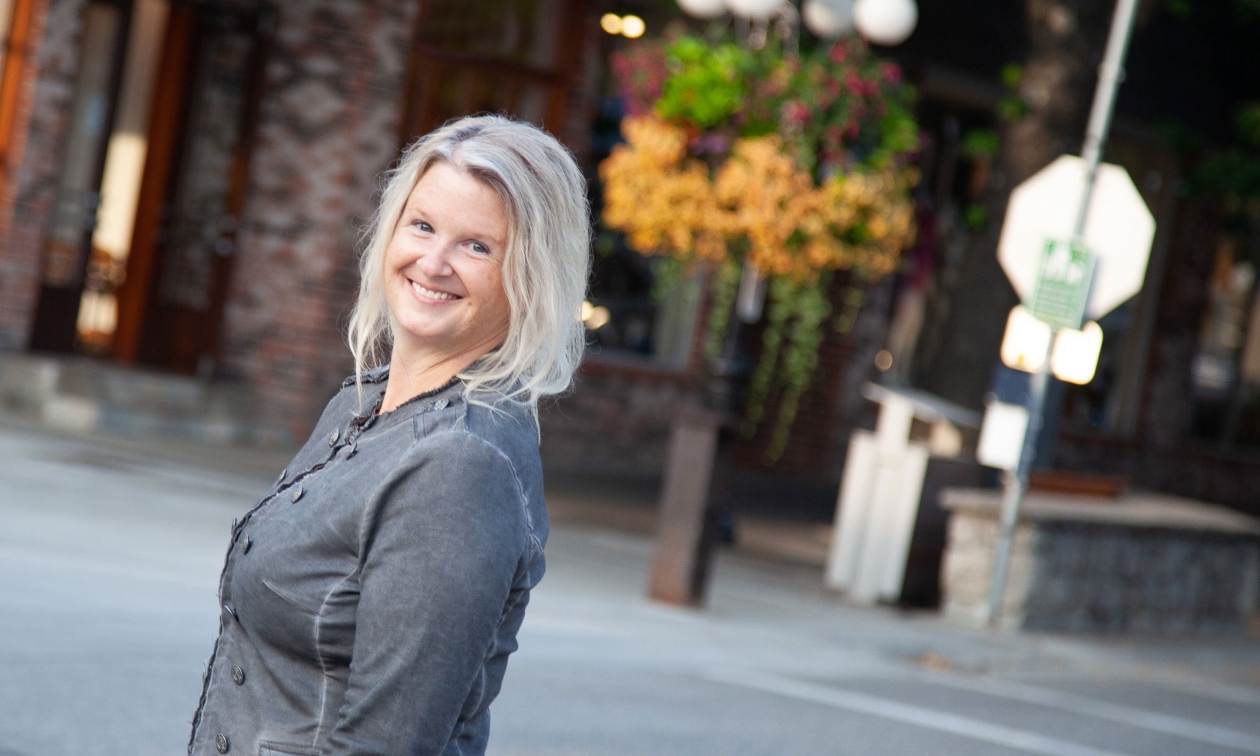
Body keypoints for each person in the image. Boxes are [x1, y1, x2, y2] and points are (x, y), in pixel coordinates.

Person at [188, 115, 590, 756]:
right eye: (423, 225)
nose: (433, 262)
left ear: (531, 278)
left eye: (477, 246)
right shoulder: (362, 399)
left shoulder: (459, 465)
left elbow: (385, 745)